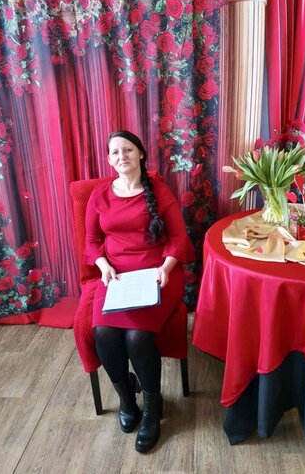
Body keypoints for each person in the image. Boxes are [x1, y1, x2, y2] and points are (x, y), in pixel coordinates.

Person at [84, 130, 194, 453]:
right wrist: (103, 265)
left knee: (136, 337)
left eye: (128, 150)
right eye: (115, 152)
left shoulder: (158, 190)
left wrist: (167, 267)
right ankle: (127, 400)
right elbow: (91, 241)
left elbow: (178, 236)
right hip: (116, 276)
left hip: (157, 274)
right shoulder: (99, 196)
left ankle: (152, 408)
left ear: (141, 154)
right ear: (109, 160)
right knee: (103, 333)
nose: (122, 156)